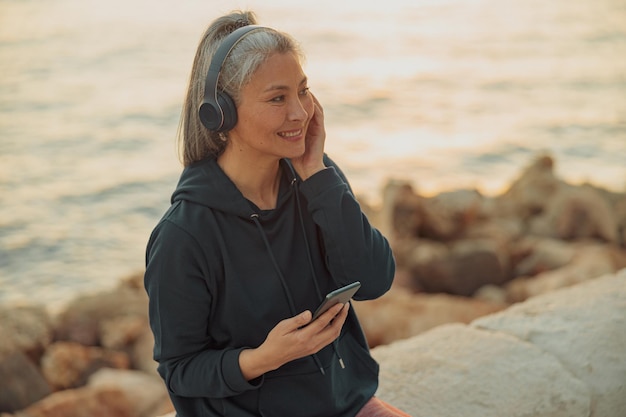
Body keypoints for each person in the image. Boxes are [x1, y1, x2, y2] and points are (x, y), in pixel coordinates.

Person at [144, 10, 410, 417]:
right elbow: (180, 370)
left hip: (345, 406)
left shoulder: (317, 180)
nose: (300, 113)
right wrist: (263, 358)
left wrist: (317, 177)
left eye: (303, 91)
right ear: (221, 114)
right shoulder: (184, 237)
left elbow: (375, 279)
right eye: (277, 98)